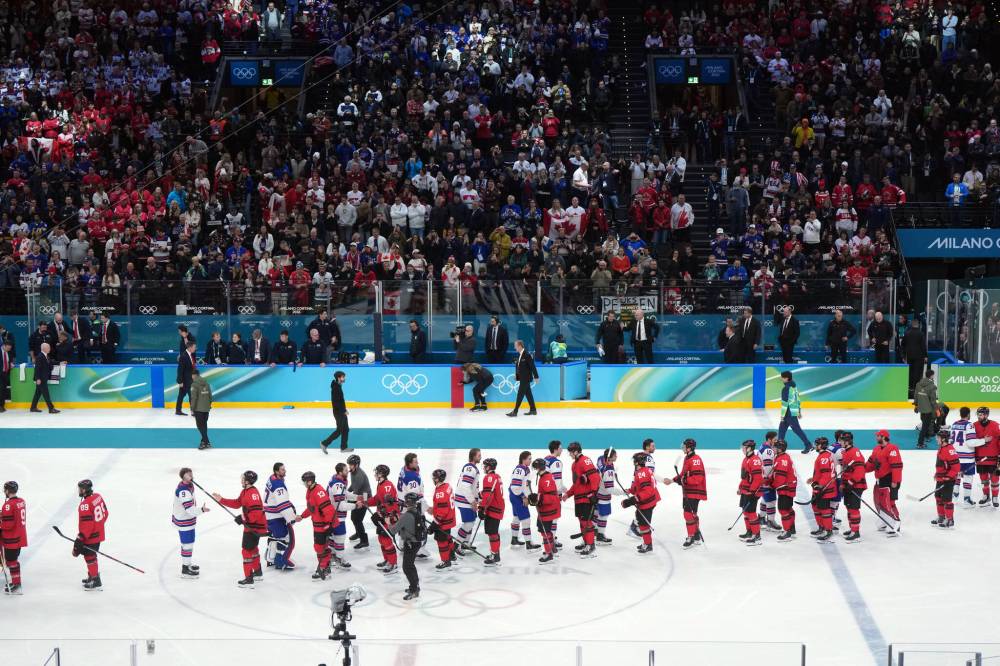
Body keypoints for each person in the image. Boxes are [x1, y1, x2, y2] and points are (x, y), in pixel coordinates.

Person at [212, 471, 267, 587]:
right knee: (252, 549)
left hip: (254, 527)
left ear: (247, 481)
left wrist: (243, 518)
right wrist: (221, 499)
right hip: (252, 526)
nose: (241, 480)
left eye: (243, 479)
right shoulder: (245, 491)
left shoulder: (253, 493)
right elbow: (237, 503)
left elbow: (256, 513)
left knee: (246, 551)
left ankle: (249, 579)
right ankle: (257, 572)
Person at [663, 438, 707, 549]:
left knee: (688, 514)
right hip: (688, 491)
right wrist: (672, 480)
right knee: (692, 513)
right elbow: (682, 474)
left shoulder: (696, 459)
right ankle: (696, 535)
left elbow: (698, 478)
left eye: (684, 446)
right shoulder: (687, 458)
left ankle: (691, 536)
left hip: (694, 492)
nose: (682, 448)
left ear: (689, 448)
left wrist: (684, 481)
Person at [294, 471, 336, 581]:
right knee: (319, 547)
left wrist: (327, 525)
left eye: (304, 482)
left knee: (321, 548)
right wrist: (302, 516)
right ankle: (325, 567)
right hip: (318, 525)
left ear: (309, 481)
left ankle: (323, 568)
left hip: (323, 526)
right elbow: (312, 508)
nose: (304, 484)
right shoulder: (310, 490)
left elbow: (329, 511)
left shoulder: (318, 492)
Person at [561, 442, 600, 558]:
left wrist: (593, 492)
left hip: (586, 498)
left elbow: (595, 477)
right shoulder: (574, 465)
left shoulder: (585, 460)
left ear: (576, 451)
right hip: (578, 499)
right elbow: (577, 484)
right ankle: (586, 542)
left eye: (571, 452)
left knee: (586, 522)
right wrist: (568, 494)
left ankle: (590, 545)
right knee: (582, 522)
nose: (569, 454)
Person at [865, 430, 903, 536]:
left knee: (889, 502)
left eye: (878, 436)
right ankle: (884, 520)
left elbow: (897, 466)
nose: (876, 437)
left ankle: (895, 524)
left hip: (890, 480)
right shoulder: (876, 449)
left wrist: (895, 481)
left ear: (883, 437)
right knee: (879, 502)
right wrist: (860, 469)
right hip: (880, 480)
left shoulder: (892, 449)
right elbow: (870, 464)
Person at [172, 468, 208, 578]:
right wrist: (201, 510)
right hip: (184, 521)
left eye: (191, 474)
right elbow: (189, 509)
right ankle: (185, 570)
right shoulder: (184, 491)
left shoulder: (189, 485)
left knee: (189, 543)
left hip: (188, 520)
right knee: (187, 544)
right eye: (189, 475)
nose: (192, 476)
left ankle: (187, 564)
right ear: (184, 477)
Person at [389, 492, 425, 600]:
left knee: (407, 567)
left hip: (410, 544)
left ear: (408, 502)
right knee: (411, 565)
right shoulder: (416, 512)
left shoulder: (406, 516)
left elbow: (394, 530)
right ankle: (415, 586)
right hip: (416, 543)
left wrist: (388, 523)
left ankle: (414, 590)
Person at [74, 479, 108, 590]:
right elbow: (105, 513)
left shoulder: (85, 505)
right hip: (98, 534)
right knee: (91, 556)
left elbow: (87, 525)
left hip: (90, 537)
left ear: (84, 490)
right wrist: (99, 526)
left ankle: (95, 579)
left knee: (89, 557)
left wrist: (81, 538)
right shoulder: (98, 496)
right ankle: (92, 575)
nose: (79, 490)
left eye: (80, 489)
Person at [624, 452, 659, 554]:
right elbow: (638, 487)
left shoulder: (641, 473)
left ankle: (648, 545)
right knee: (641, 519)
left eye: (634, 461)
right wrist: (630, 491)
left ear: (637, 462)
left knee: (643, 523)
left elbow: (647, 490)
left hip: (647, 501)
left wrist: (634, 499)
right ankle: (646, 543)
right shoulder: (643, 471)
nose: (633, 463)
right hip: (649, 500)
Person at [263, 463, 297, 570]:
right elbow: (282, 505)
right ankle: (281, 561)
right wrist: (292, 518)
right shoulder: (278, 485)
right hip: (276, 517)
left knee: (275, 537)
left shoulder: (272, 479)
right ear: (277, 472)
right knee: (285, 538)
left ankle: (271, 558)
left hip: (269, 515)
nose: (285, 471)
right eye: (282, 470)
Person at [367, 464, 399, 575]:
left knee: (386, 540)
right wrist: (366, 502)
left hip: (388, 518)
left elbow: (390, 505)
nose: (375, 474)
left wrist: (383, 515)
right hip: (383, 516)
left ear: (381, 474)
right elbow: (377, 499)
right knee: (381, 539)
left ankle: (393, 563)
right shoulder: (381, 484)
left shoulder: (387, 486)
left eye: (377, 472)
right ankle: (387, 560)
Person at [529, 457, 561, 564]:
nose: (534, 470)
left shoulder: (546, 478)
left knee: (545, 532)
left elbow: (551, 497)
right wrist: (538, 498)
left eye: (535, 468)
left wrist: (538, 498)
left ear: (539, 468)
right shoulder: (544, 476)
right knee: (546, 531)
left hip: (548, 510)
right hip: (546, 509)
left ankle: (548, 554)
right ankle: (552, 549)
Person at [807, 437, 837, 541]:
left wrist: (820, 486)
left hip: (824, 489)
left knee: (824, 510)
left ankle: (828, 530)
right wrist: (814, 479)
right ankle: (822, 527)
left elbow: (826, 474)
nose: (815, 446)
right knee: (816, 506)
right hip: (821, 486)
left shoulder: (824, 457)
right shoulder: (826, 455)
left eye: (817, 444)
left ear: (821, 445)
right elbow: (823, 472)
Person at [326, 464, 356, 570]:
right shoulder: (337, 484)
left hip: (330, 515)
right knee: (340, 537)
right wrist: (356, 505)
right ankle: (339, 558)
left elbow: (344, 493)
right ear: (339, 472)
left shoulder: (336, 480)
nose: (347, 471)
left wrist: (356, 497)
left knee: (332, 537)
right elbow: (341, 506)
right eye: (345, 470)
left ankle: (332, 556)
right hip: (337, 516)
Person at [839, 432, 867, 543]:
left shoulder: (855, 452)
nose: (840, 442)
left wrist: (850, 482)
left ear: (847, 442)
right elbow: (845, 470)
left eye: (841, 441)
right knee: (849, 507)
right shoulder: (846, 452)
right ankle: (852, 529)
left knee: (853, 508)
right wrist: (843, 483)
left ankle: (856, 532)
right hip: (848, 485)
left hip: (856, 485)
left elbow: (860, 471)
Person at [948, 407, 979, 507]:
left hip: (955, 457)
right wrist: (984, 440)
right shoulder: (969, 425)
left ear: (960, 414)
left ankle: (955, 496)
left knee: (957, 476)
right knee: (968, 478)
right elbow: (971, 443)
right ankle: (967, 500)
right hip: (967, 457)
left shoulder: (954, 424)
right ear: (968, 414)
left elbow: (950, 441)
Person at [737, 439, 764, 546]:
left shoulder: (755, 460)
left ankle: (756, 535)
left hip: (752, 492)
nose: (742, 449)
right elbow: (745, 477)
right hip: (745, 490)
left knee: (751, 512)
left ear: (749, 449)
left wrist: (753, 491)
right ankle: (749, 531)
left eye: (744, 447)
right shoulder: (746, 459)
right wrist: (740, 487)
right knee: (745, 511)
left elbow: (758, 479)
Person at [1, 480, 27, 594]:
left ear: (7, 490)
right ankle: (17, 583)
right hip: (19, 537)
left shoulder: (8, 505)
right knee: (14, 561)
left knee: (11, 562)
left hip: (11, 538)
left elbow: (8, 525)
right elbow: (14, 515)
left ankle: (16, 585)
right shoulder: (21, 501)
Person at [508, 451, 538, 549]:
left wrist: (529, 495)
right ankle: (529, 543)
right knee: (526, 519)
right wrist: (524, 497)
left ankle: (514, 539)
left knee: (516, 517)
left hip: (515, 495)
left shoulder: (525, 469)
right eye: (529, 458)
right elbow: (515, 486)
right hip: (517, 496)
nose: (531, 460)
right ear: (523, 459)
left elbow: (525, 485)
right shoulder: (520, 469)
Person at [478, 458, 505, 566]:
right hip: (497, 507)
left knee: (492, 533)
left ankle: (495, 555)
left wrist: (481, 508)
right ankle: (495, 553)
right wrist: (480, 494)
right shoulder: (496, 476)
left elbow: (489, 496)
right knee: (492, 532)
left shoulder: (488, 478)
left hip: (494, 509)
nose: (483, 468)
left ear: (488, 467)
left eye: (484, 466)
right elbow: (488, 492)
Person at [428, 469, 456, 570]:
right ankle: (452, 555)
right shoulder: (447, 486)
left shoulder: (440, 492)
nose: (433, 479)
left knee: (441, 541)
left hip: (443, 521)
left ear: (437, 479)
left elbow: (442, 511)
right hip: (450, 518)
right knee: (448, 538)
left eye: (434, 477)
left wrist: (434, 524)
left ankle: (445, 561)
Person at [932, 431, 960, 528]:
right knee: (938, 497)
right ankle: (941, 516)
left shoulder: (949, 450)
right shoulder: (941, 448)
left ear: (943, 439)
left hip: (948, 480)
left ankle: (949, 520)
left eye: (938, 438)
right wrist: (937, 474)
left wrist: (948, 477)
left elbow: (956, 467)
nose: (936, 439)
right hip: (940, 479)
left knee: (947, 499)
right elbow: (941, 465)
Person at [454, 448, 482, 548]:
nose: (480, 457)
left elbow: (474, 487)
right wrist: (473, 501)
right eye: (479, 455)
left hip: (466, 499)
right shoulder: (470, 469)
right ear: (473, 456)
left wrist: (479, 499)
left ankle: (465, 544)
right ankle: (456, 546)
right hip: (464, 500)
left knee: (471, 521)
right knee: (468, 523)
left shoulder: (472, 468)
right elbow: (465, 486)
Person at [777, 371, 811, 453]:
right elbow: (798, 399)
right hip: (792, 412)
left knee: (797, 430)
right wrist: (799, 411)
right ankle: (778, 447)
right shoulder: (794, 386)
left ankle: (808, 444)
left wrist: (782, 416)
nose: (780, 378)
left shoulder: (786, 389)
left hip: (789, 413)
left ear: (786, 378)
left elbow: (785, 404)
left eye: (782, 377)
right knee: (781, 429)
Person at [771, 440, 798, 541]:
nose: (773, 449)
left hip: (785, 488)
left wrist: (772, 485)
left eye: (775, 447)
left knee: (783, 509)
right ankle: (791, 528)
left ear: (779, 449)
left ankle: (787, 532)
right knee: (788, 508)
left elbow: (780, 478)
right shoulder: (783, 457)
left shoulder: (782, 459)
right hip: (788, 487)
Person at [973, 407, 1000, 508]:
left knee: (995, 478)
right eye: (978, 414)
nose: (979, 416)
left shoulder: (995, 425)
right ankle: (986, 496)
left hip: (993, 457)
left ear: (986, 415)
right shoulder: (974, 425)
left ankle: (995, 497)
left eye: (981, 414)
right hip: (980, 457)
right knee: (983, 479)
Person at [321, 371, 352, 453]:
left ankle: (343, 448)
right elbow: (336, 402)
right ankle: (324, 443)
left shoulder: (338, 385)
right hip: (339, 412)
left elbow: (340, 400)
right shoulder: (336, 388)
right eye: (343, 377)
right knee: (339, 430)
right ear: (339, 378)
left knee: (346, 429)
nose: (344, 378)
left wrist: (345, 409)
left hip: (341, 411)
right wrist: (343, 411)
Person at [755, 432, 780, 531]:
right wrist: (768, 479)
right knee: (771, 500)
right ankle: (771, 521)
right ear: (769, 439)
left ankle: (761, 518)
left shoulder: (763, 446)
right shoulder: (768, 450)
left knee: (765, 499)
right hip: (766, 479)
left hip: (762, 478)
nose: (776, 440)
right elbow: (768, 466)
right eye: (775, 439)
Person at [544, 441, 566, 549]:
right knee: (554, 518)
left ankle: (550, 539)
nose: (562, 450)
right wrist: (561, 491)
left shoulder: (545, 460)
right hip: (554, 496)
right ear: (556, 449)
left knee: (548, 518)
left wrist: (565, 488)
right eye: (561, 448)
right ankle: (551, 541)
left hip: (544, 494)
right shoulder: (557, 463)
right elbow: (557, 483)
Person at [507, 340, 538, 417]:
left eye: (515, 346)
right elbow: (519, 367)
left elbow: (532, 366)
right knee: (528, 394)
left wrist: (536, 376)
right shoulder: (520, 355)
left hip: (526, 378)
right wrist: (517, 376)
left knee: (520, 394)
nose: (514, 347)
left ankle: (515, 411)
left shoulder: (527, 355)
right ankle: (533, 410)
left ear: (520, 346)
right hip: (523, 378)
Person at [346, 454, 371, 549]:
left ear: (356, 465)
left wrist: (346, 497)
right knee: (354, 518)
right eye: (349, 464)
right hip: (359, 495)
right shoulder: (353, 472)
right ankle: (358, 533)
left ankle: (364, 540)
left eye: (351, 465)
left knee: (357, 519)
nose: (349, 466)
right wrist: (346, 492)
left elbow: (356, 491)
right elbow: (353, 485)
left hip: (364, 497)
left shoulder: (359, 475)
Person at [594, 447, 617, 545]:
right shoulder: (608, 471)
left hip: (596, 493)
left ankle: (593, 532)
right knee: (604, 516)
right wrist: (624, 492)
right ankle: (600, 536)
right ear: (610, 458)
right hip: (604, 496)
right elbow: (609, 489)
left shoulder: (600, 459)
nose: (617, 457)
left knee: (595, 514)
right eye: (615, 455)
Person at [29, 342, 59, 414]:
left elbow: (50, 363)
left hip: (43, 378)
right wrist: (38, 378)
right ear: (44, 348)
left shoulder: (45, 356)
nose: (50, 349)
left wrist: (59, 363)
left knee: (38, 393)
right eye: (48, 347)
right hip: (41, 379)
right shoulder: (40, 356)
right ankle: (51, 408)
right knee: (46, 394)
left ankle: (33, 407)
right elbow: (37, 368)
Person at [901, 320, 927, 397]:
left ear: (911, 325)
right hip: (919, 356)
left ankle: (910, 387)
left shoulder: (907, 333)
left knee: (910, 371)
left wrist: (903, 355)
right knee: (917, 372)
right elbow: (923, 346)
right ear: (918, 325)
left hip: (909, 355)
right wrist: (925, 356)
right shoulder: (921, 334)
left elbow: (903, 345)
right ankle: (916, 387)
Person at [914, 369, 938, 449]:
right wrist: (937, 409)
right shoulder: (932, 386)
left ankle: (927, 436)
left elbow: (916, 396)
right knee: (925, 426)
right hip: (928, 409)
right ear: (931, 376)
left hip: (921, 408)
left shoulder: (918, 384)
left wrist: (916, 405)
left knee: (924, 422)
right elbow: (933, 400)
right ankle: (920, 443)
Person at [189, 367, 213, 450]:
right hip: (206, 408)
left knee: (200, 426)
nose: (191, 377)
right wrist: (209, 405)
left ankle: (206, 442)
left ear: (194, 375)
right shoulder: (206, 383)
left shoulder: (194, 384)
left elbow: (194, 398)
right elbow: (210, 395)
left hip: (198, 409)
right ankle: (205, 442)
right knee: (204, 425)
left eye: (191, 375)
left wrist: (192, 408)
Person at [175, 341, 197, 416]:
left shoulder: (190, 355)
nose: (195, 349)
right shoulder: (184, 356)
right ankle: (193, 411)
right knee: (192, 395)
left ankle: (178, 410)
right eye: (194, 347)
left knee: (181, 395)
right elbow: (180, 369)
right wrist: (180, 381)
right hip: (186, 380)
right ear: (190, 348)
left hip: (189, 379)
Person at [1, 339, 12, 413]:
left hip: (5, 374)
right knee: (0, 390)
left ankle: (2, 405)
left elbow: (8, 362)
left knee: (3, 390)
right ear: (4, 346)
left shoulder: (7, 353)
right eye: (8, 348)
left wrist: (10, 365)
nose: (9, 349)